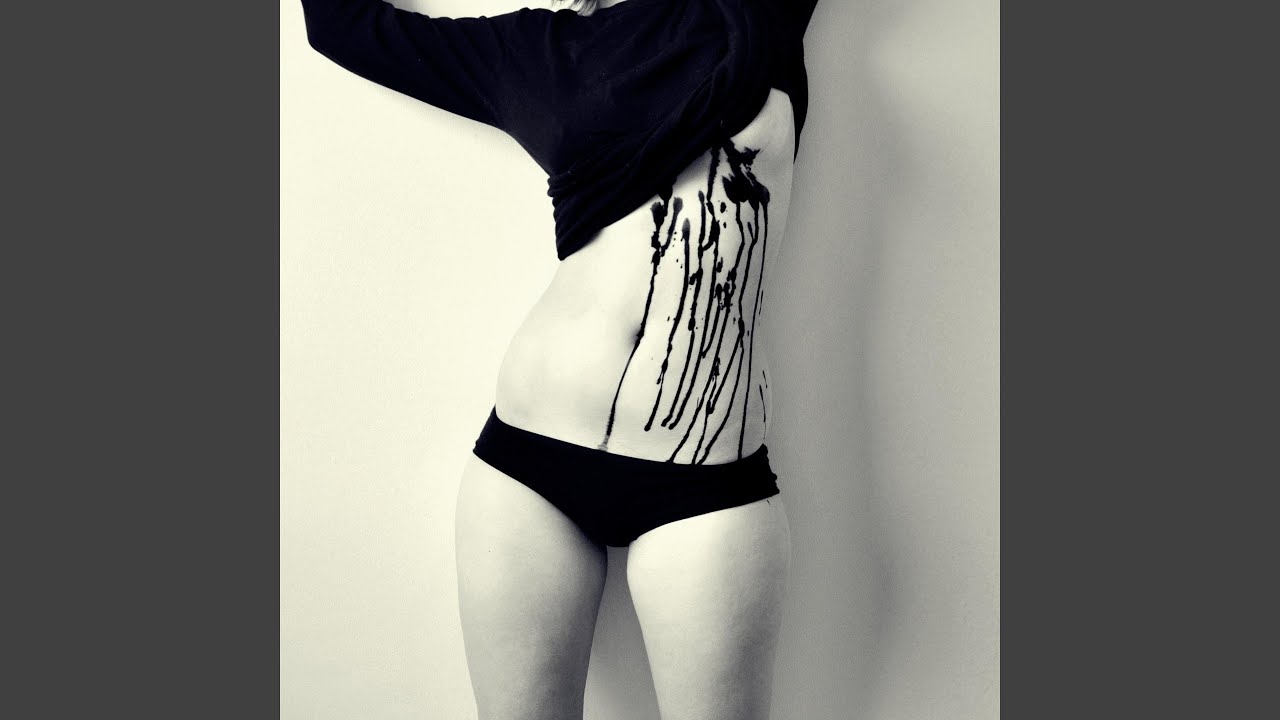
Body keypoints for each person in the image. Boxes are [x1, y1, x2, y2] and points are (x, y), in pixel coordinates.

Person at [299, 1, 820, 718]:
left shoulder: (753, 18)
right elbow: (339, 26)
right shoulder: (535, 47)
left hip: (707, 486)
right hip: (528, 468)